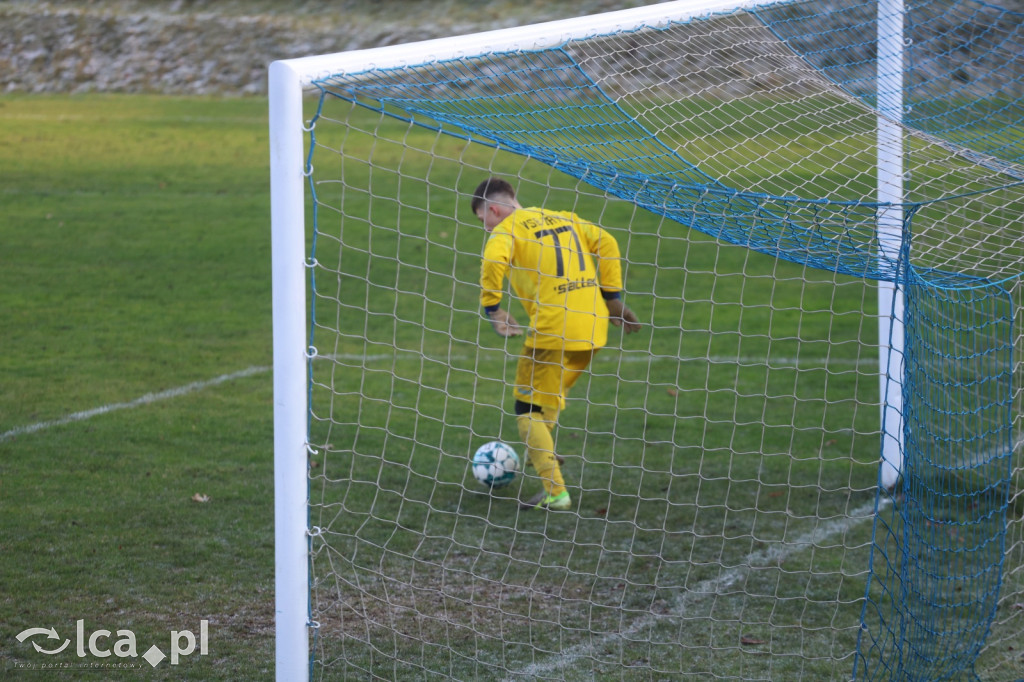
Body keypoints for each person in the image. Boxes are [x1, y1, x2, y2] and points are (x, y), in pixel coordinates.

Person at [471, 177, 641, 511]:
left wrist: (493, 309)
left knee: (525, 409)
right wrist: (612, 298)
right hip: (594, 328)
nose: (486, 228)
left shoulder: (505, 231)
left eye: (483, 220)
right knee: (547, 398)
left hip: (554, 329)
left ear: (494, 210)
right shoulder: (565, 218)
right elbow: (606, 241)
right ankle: (542, 450)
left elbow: (492, 261)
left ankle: (556, 492)